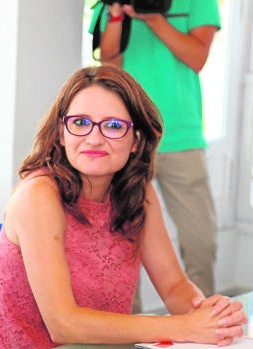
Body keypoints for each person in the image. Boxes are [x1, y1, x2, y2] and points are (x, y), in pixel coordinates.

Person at [0, 64, 246, 348]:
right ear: (61, 133)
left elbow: (173, 286)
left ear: (136, 141)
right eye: (80, 123)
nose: (94, 138)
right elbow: (63, 325)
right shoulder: (38, 196)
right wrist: (184, 327)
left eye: (114, 126)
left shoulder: (137, 192)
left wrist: (210, 316)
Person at [92, 0, 220, 299]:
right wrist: (115, 15)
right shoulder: (111, 3)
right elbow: (109, 63)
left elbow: (197, 56)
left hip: (181, 137)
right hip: (125, 137)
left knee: (200, 241)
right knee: (121, 242)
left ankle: (206, 328)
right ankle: (124, 336)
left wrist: (153, 18)